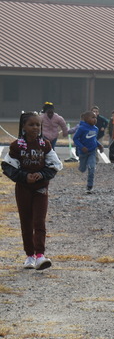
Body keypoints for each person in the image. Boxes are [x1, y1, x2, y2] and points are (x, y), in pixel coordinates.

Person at [2, 112, 63, 270]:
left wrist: (41, 174)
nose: (35, 127)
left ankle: (40, 256)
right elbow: (7, 167)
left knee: (39, 221)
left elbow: (55, 165)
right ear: (23, 127)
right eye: (31, 124)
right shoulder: (16, 146)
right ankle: (29, 256)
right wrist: (24, 176)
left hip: (41, 188)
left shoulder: (45, 145)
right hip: (23, 189)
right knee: (26, 222)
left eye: (38, 124)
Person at [72, 110, 103, 194]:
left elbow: (94, 139)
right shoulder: (81, 128)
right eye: (92, 117)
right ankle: (82, 167)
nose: (95, 119)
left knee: (91, 167)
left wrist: (99, 145)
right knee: (82, 169)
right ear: (86, 119)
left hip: (92, 151)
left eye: (95, 118)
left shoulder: (95, 129)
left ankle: (89, 185)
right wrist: (81, 147)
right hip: (83, 153)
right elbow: (75, 139)